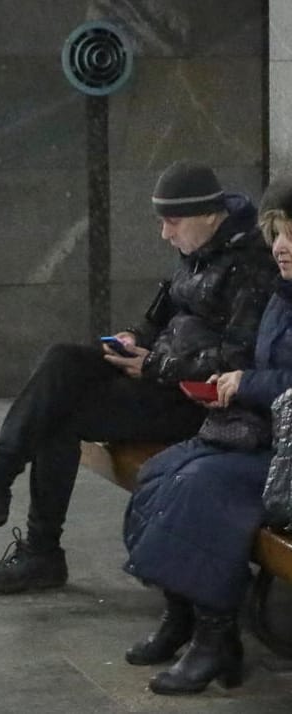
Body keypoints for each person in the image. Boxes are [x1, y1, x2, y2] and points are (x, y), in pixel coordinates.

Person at [0, 161, 277, 594]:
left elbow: (236, 363)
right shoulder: (197, 252)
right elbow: (164, 319)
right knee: (63, 359)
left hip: (199, 404)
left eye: (173, 222)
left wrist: (154, 365)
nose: (166, 234)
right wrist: (134, 340)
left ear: (208, 214)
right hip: (161, 373)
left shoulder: (252, 268)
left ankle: (34, 543)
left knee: (62, 415)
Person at [121, 178, 292, 695]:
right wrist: (229, 386)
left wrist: (249, 384)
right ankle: (186, 616)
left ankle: (215, 638)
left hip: (285, 452)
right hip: (270, 435)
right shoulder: (282, 297)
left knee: (203, 485)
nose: (281, 246)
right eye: (277, 233)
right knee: (159, 473)